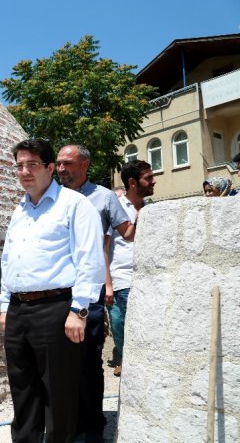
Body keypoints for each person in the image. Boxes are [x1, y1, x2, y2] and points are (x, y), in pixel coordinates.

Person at [0, 139, 105, 443]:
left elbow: (90, 260)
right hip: (18, 311)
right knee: (23, 389)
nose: (24, 172)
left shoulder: (74, 204)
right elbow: (8, 260)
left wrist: (79, 310)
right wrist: (5, 307)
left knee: (59, 394)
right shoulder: (19, 211)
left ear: (49, 168)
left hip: (57, 309)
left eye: (32, 164)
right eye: (19, 166)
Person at [56, 144, 135, 443]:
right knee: (61, 363)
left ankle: (91, 429)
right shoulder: (54, 198)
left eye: (68, 163)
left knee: (89, 361)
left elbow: (127, 232)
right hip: (57, 292)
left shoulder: (103, 197)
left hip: (89, 294)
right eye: (59, 164)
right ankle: (68, 424)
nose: (62, 169)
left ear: (85, 165)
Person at [107, 160, 156, 378]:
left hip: (148, 277)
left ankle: (136, 365)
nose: (154, 181)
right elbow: (104, 246)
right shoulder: (115, 207)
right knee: (121, 324)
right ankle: (127, 362)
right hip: (122, 277)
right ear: (132, 182)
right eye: (148, 177)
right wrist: (107, 282)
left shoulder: (152, 209)